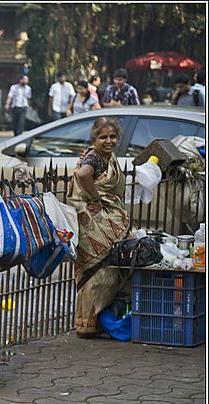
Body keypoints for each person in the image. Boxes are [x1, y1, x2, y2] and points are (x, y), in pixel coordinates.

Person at [65, 117, 130, 338]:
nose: (108, 141)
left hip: (102, 224)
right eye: (103, 137)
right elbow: (83, 175)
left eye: (112, 136)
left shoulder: (108, 158)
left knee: (106, 273)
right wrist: (95, 198)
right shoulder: (94, 158)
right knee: (94, 274)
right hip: (93, 226)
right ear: (94, 139)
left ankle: (97, 323)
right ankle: (87, 326)